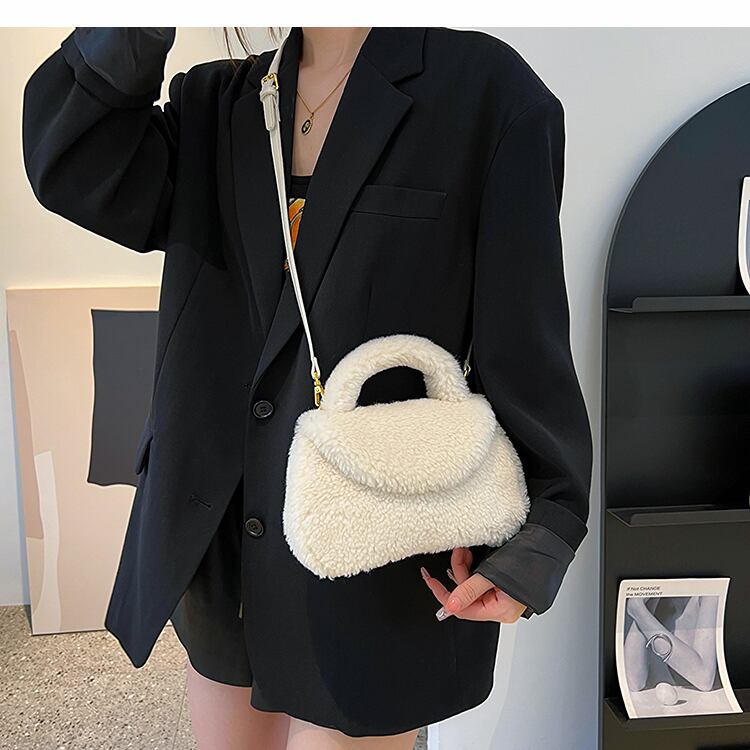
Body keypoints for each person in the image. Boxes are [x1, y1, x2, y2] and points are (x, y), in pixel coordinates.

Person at [21, 26, 593, 749]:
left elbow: (524, 332)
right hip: (221, 535)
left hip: (373, 540)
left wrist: (541, 534)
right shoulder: (217, 101)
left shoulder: (486, 92)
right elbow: (71, 159)